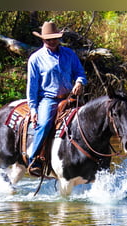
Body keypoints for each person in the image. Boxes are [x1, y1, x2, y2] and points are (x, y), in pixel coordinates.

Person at [27, 21, 87, 177]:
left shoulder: (69, 54)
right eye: (48, 39)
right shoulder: (36, 59)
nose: (52, 41)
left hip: (70, 97)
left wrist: (79, 82)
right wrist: (33, 108)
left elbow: (80, 72)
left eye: (54, 38)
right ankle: (34, 159)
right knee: (45, 123)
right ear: (43, 40)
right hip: (49, 99)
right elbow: (32, 87)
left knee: (89, 120)